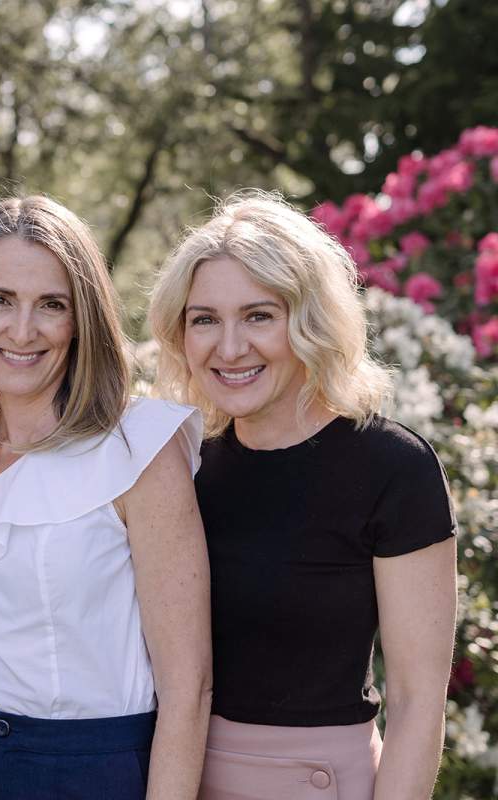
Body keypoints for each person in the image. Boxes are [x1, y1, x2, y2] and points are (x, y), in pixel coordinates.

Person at [147, 191, 457, 799]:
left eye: (259, 315)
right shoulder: (181, 468)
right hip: (174, 778)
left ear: (310, 321)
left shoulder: (394, 468)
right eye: (204, 318)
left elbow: (419, 703)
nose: (229, 347)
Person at [0, 196, 212, 800]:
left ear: (81, 319)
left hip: (98, 770)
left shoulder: (139, 448)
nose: (22, 330)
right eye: (0, 300)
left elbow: (189, 691)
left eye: (51, 305)